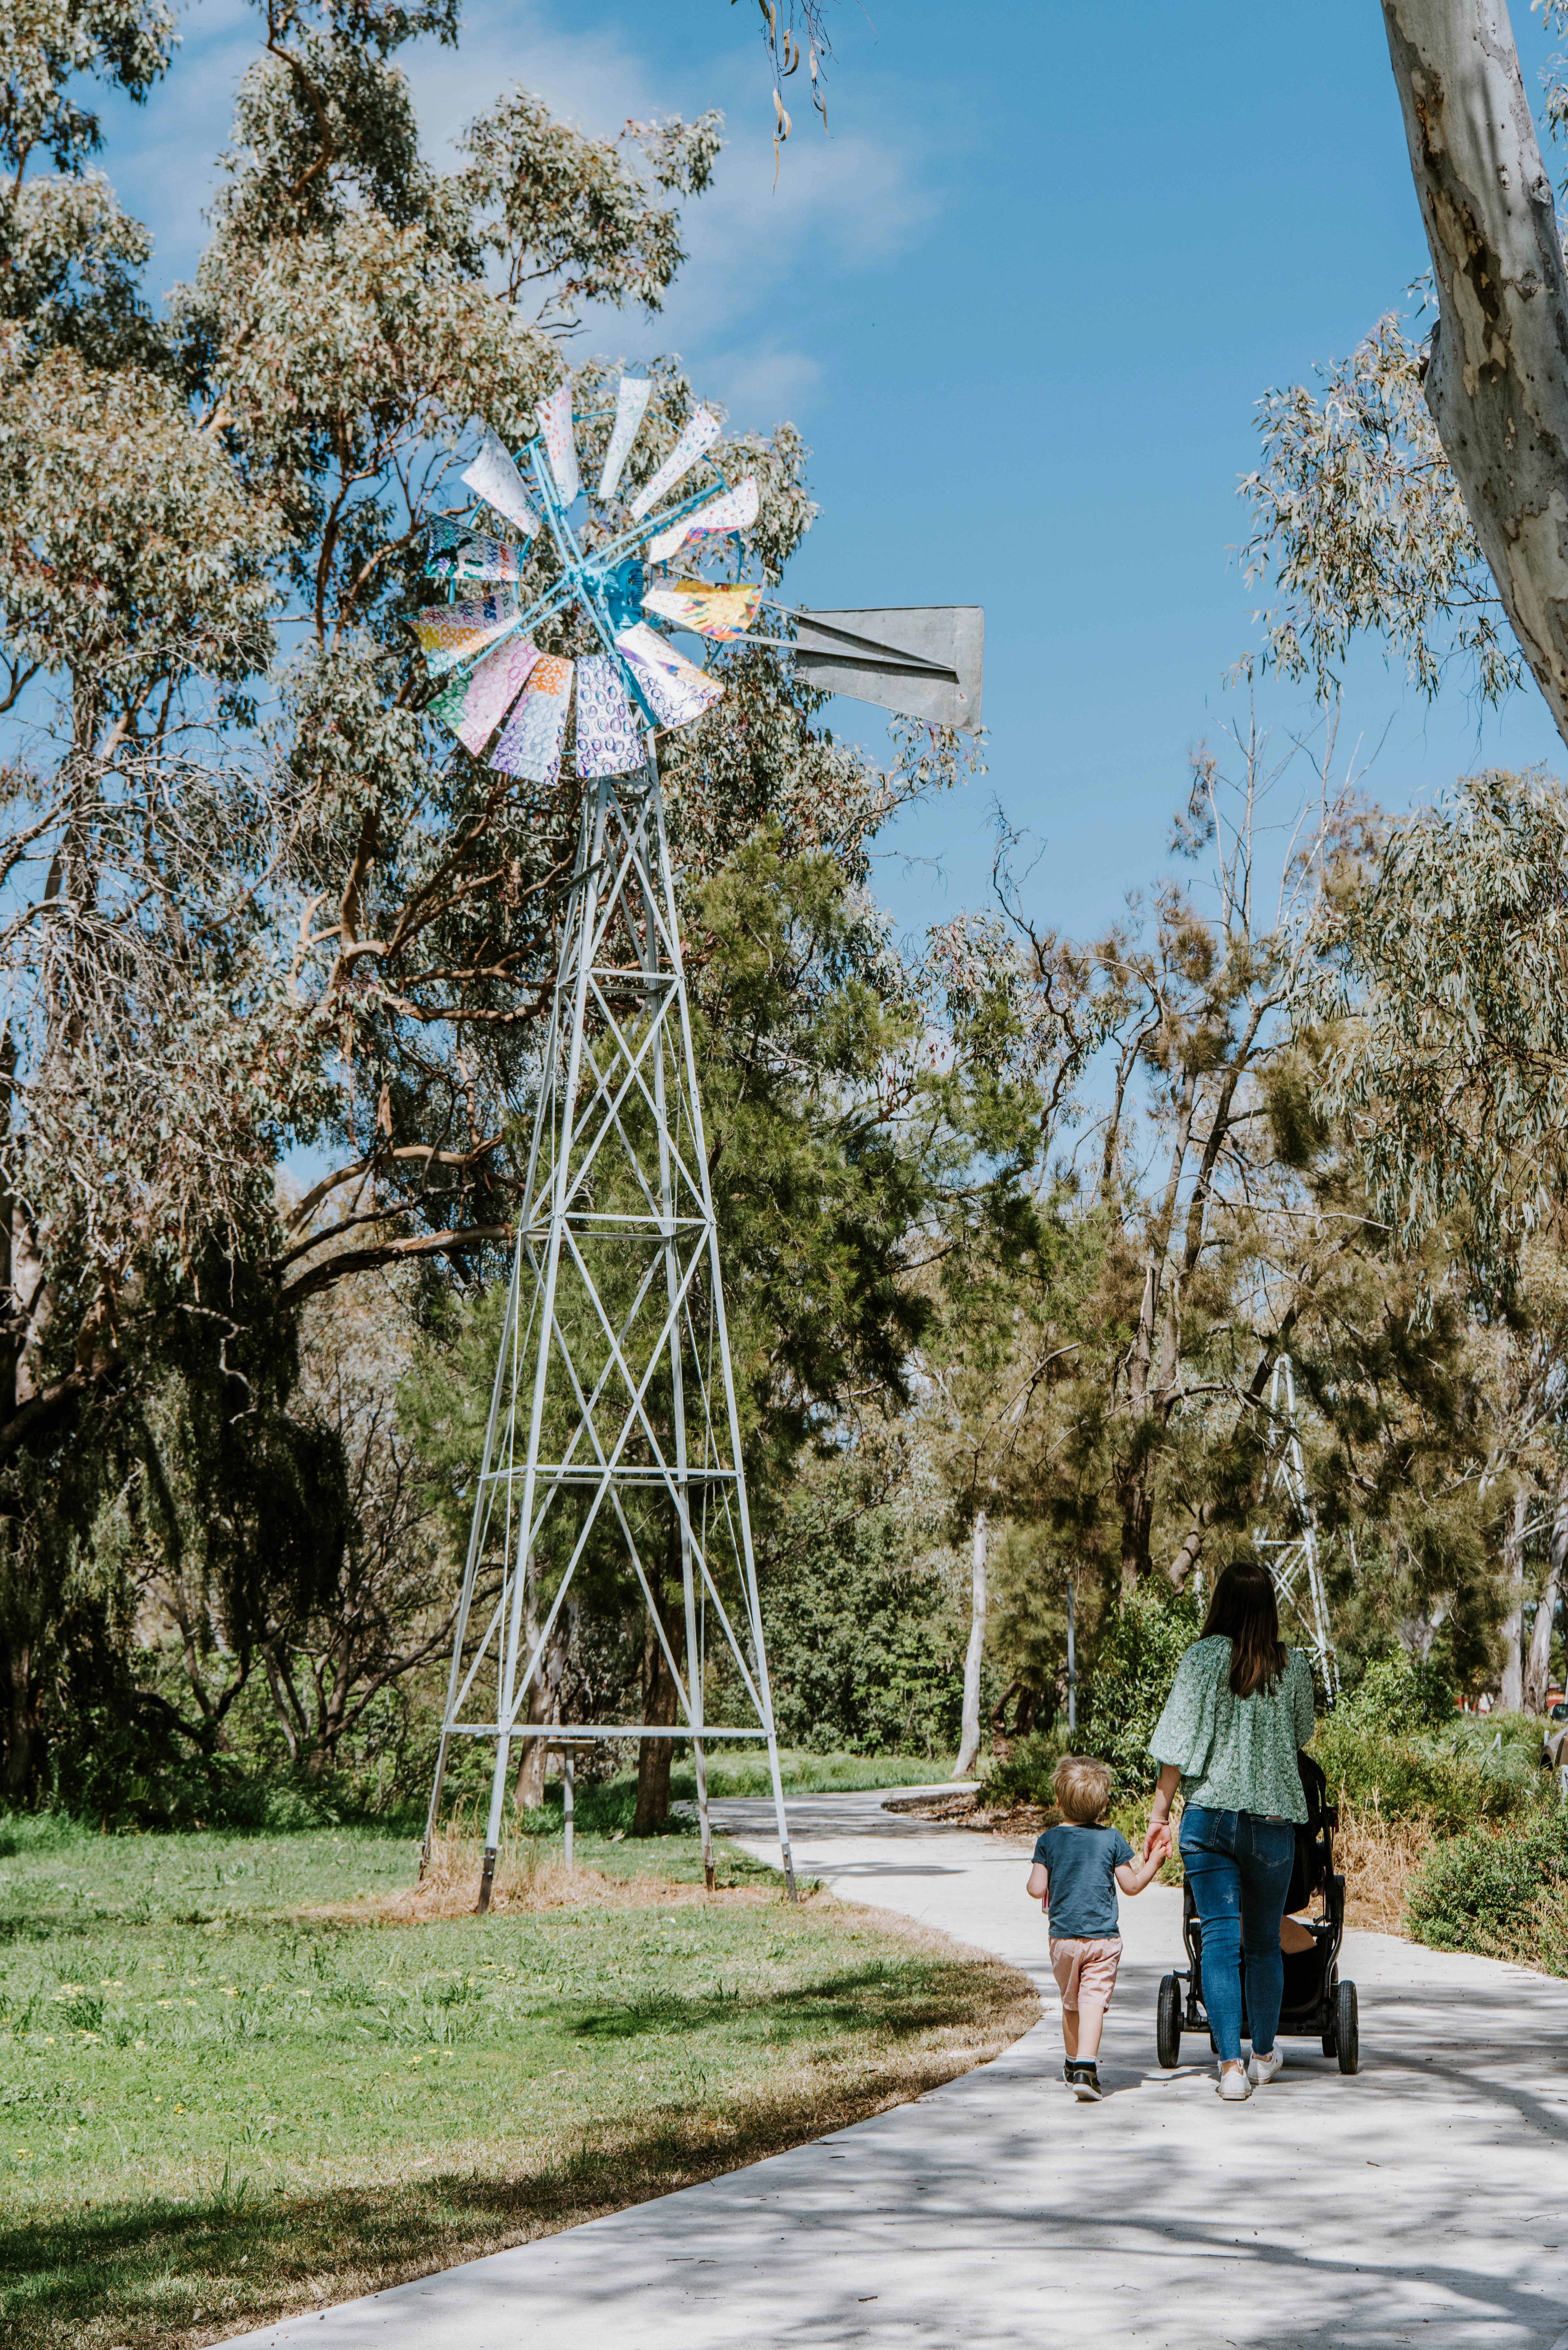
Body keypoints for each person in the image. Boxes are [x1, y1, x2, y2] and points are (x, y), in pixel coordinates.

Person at [1143, 1559, 1316, 2102]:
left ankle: (1229, 2069)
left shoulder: (1200, 1660)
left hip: (1209, 1818)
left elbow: (1175, 1746)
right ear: (1269, 1606)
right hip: (1271, 1824)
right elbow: (1302, 1732)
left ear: (1219, 1603)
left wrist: (1157, 1816)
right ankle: (1263, 2056)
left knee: (1219, 1940)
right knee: (1263, 1942)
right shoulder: (1292, 1665)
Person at [1026, 1753, 1171, 2102]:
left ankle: (1072, 2062)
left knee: (1071, 2003)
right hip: (1102, 1940)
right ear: (1104, 1803)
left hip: (1062, 1940)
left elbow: (1035, 1888)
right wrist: (1154, 1861)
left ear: (1058, 1801)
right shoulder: (1112, 1839)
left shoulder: (1048, 1841)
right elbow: (1132, 1885)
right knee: (1092, 2001)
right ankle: (1086, 2069)